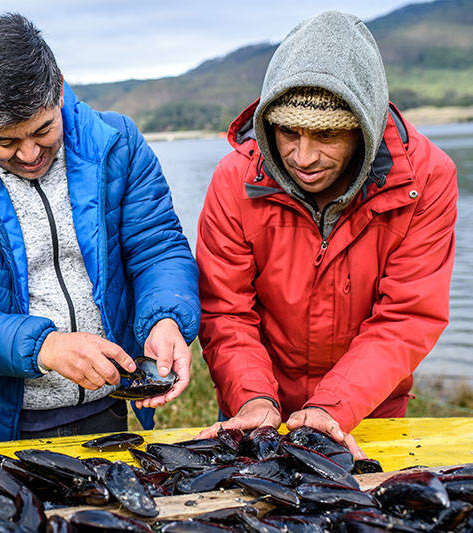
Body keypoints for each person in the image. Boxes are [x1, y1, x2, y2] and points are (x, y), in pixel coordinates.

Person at [0, 13, 200, 445]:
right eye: (4, 142)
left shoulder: (118, 142)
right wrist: (45, 347)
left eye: (43, 130)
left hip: (107, 404)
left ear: (58, 90)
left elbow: (158, 248)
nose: (29, 153)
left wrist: (166, 318)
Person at [195, 11, 457, 457]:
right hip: (253, 414)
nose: (304, 156)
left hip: (367, 413)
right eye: (287, 131)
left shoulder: (427, 179)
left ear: (364, 126)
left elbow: (407, 316)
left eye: (327, 135)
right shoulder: (234, 179)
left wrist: (334, 407)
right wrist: (253, 397)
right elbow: (226, 310)